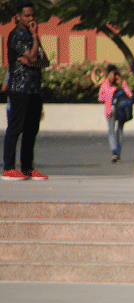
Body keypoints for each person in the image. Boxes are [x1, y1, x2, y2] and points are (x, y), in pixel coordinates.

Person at [3, 0, 49, 182]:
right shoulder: (16, 35)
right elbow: (31, 56)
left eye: (32, 15)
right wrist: (35, 41)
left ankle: (27, 168)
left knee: (32, 129)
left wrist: (33, 58)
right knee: (16, 127)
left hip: (34, 89)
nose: (31, 18)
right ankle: (8, 168)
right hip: (19, 89)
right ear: (18, 17)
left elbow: (45, 62)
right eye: (27, 15)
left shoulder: (32, 36)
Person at [98, 65, 132, 163]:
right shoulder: (122, 83)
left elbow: (101, 98)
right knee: (120, 130)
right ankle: (119, 153)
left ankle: (114, 153)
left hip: (110, 110)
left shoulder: (105, 84)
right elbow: (130, 95)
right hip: (121, 109)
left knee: (111, 131)